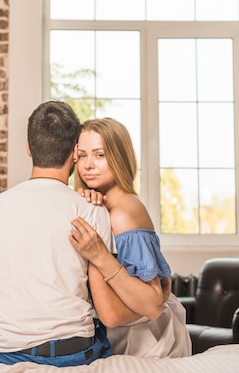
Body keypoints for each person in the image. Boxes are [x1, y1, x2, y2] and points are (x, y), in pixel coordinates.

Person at [0, 101, 113, 367]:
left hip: (0, 350)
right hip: (68, 352)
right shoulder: (92, 210)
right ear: (74, 152)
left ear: (28, 147)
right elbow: (104, 306)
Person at [69, 118, 192, 358]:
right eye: (82, 155)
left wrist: (100, 256)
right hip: (115, 334)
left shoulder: (124, 213)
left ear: (119, 157)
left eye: (99, 155)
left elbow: (152, 303)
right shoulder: (96, 205)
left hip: (147, 338)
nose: (88, 165)